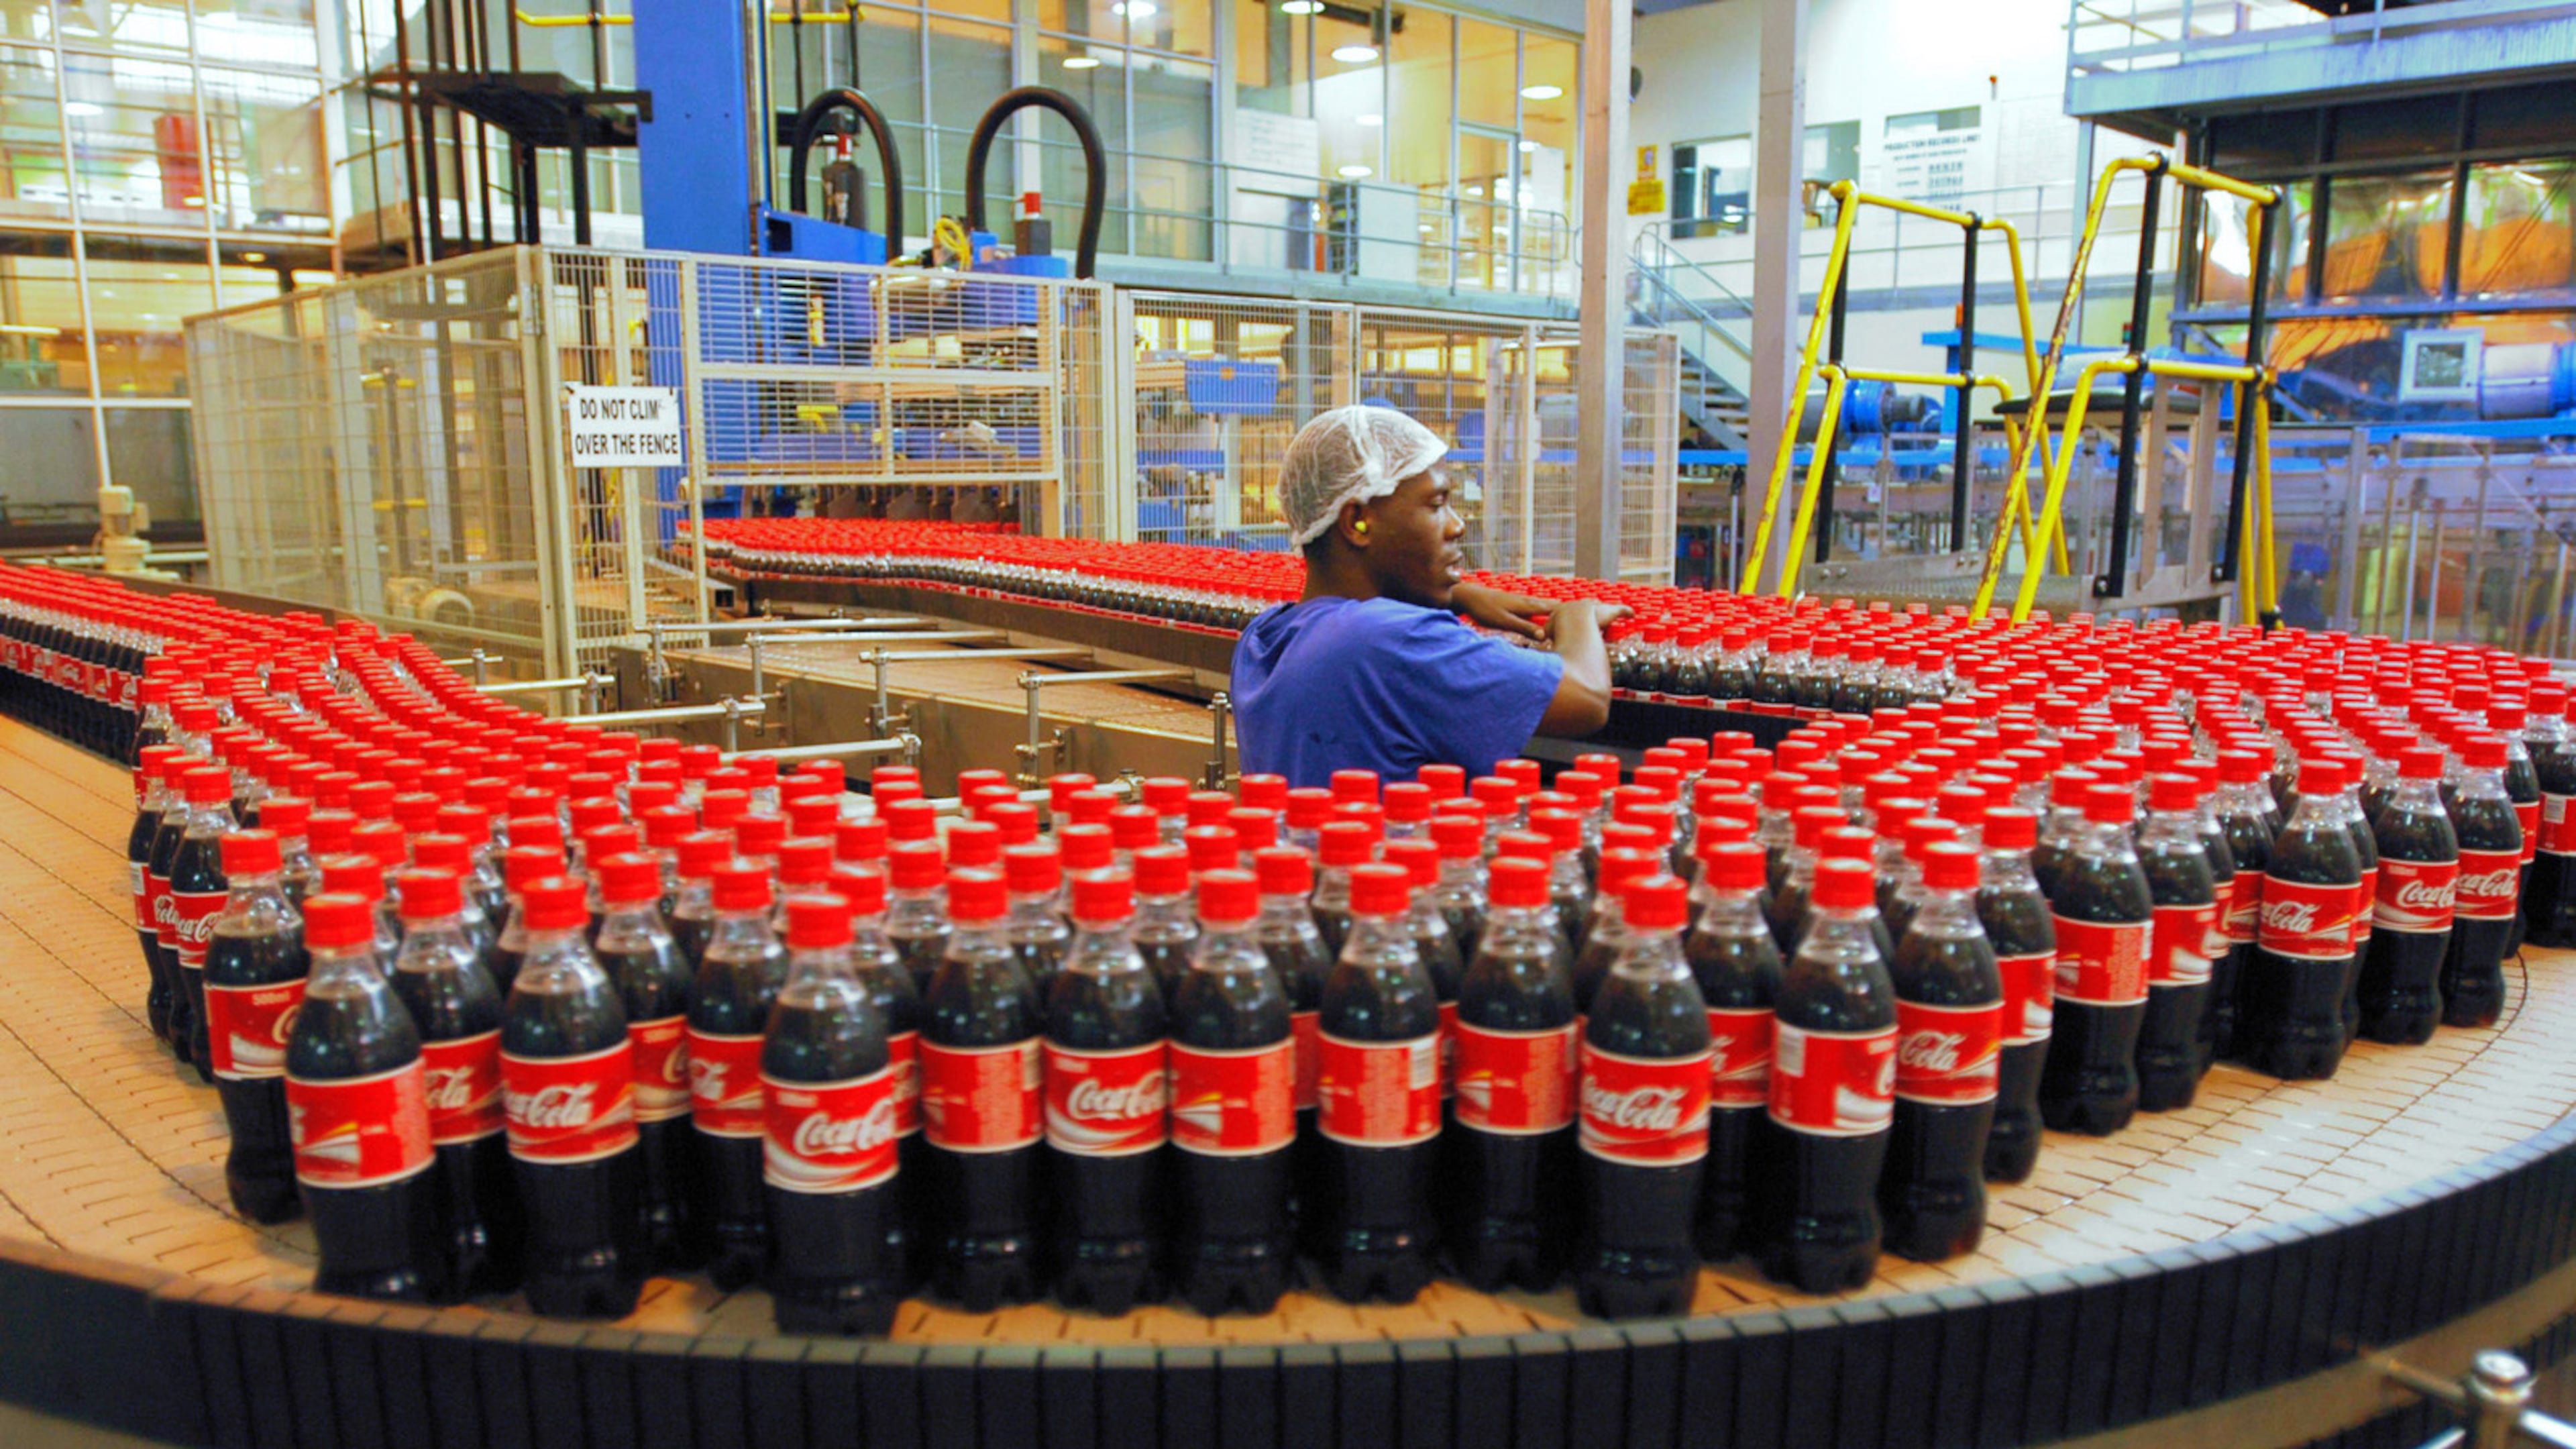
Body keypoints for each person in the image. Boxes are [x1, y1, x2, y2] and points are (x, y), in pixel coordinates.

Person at [1230, 405, 1629, 789]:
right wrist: (1577, 614)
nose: (1457, 526)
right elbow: (1587, 696)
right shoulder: (1387, 641)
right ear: (1358, 521)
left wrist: (1458, 596)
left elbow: (1348, 621)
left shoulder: (1262, 637)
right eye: (1437, 505)